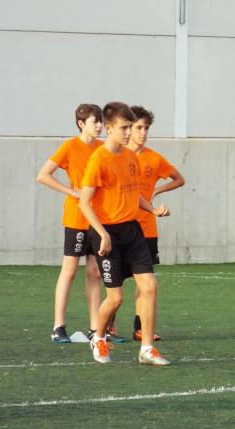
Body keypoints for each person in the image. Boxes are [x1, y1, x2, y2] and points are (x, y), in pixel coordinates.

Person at [79, 101, 170, 365]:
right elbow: (84, 202)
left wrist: (151, 209)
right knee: (116, 297)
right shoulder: (98, 160)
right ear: (108, 128)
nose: (129, 132)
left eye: (131, 127)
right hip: (107, 234)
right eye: (124, 127)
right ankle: (98, 337)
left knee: (150, 286)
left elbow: (134, 193)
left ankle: (147, 348)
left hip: (133, 230)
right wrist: (103, 234)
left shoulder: (131, 157)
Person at [36, 104, 125, 344]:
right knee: (70, 270)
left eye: (100, 122)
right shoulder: (70, 147)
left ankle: (97, 329)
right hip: (76, 218)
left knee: (95, 272)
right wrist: (71, 191)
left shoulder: (103, 148)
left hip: (98, 220)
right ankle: (58, 327)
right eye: (95, 122)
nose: (99, 127)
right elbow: (43, 175)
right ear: (81, 123)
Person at [124, 105, 184, 342]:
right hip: (120, 225)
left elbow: (179, 179)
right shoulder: (118, 156)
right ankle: (105, 327)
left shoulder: (154, 158)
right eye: (139, 127)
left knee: (145, 280)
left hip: (147, 227)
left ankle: (141, 328)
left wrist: (157, 190)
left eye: (146, 128)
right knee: (114, 283)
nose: (143, 132)